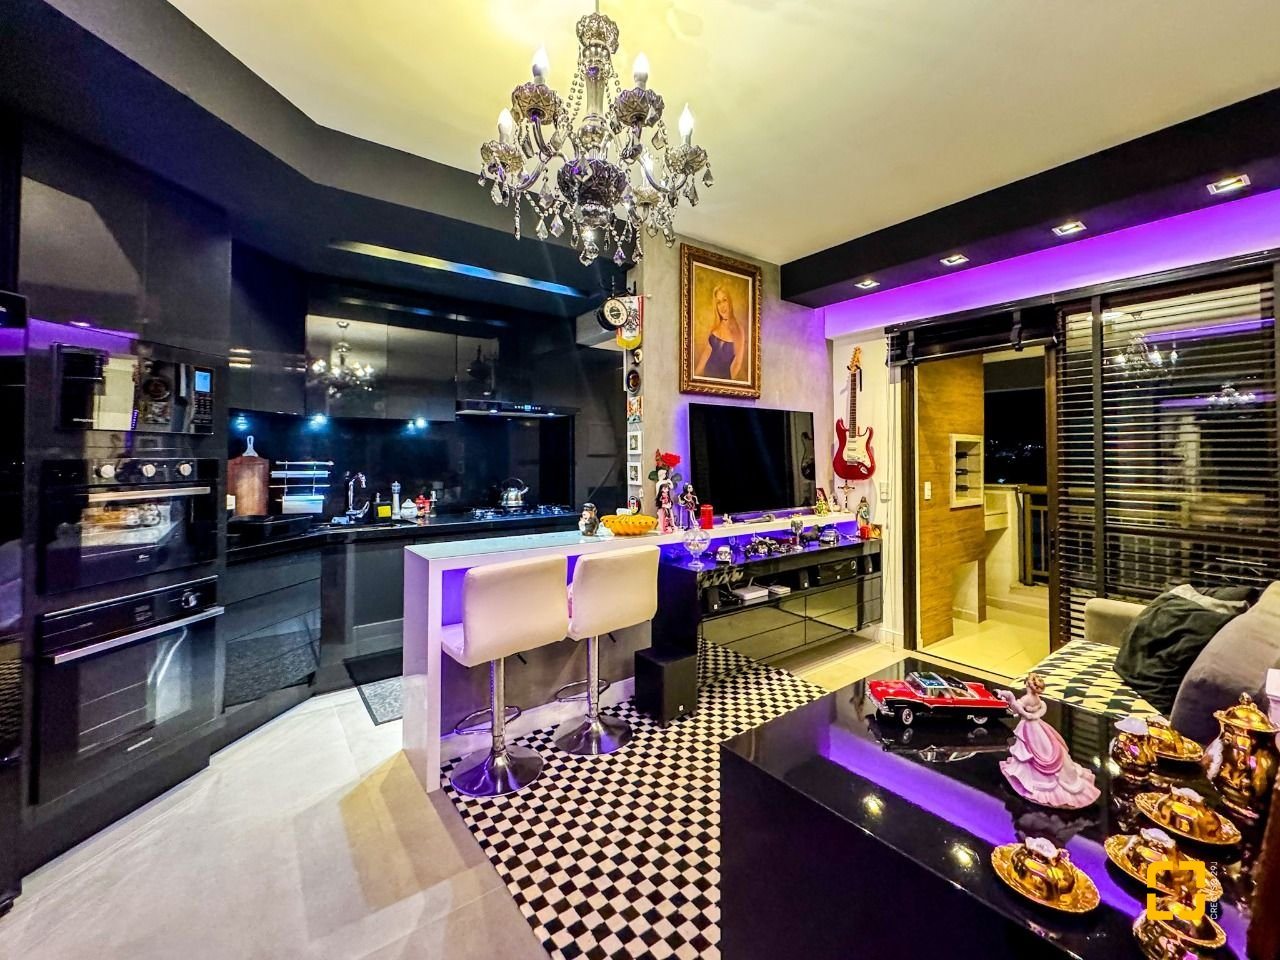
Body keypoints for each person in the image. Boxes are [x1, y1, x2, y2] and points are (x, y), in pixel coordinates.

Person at [997, 673, 1100, 809]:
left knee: (1032, 752)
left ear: (1028, 684)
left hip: (1030, 728)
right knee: (1048, 748)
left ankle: (1036, 780)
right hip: (1038, 725)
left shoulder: (1027, 699)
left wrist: (1010, 697)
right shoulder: (1037, 699)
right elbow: (1039, 710)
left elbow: (1017, 710)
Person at [694, 284, 745, 381]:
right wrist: (694, 378)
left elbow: (737, 364)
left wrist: (725, 385)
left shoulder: (739, 330)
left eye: (724, 300)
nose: (722, 306)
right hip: (706, 380)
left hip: (723, 382)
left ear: (730, 301)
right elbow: (705, 357)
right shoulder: (715, 328)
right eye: (718, 302)